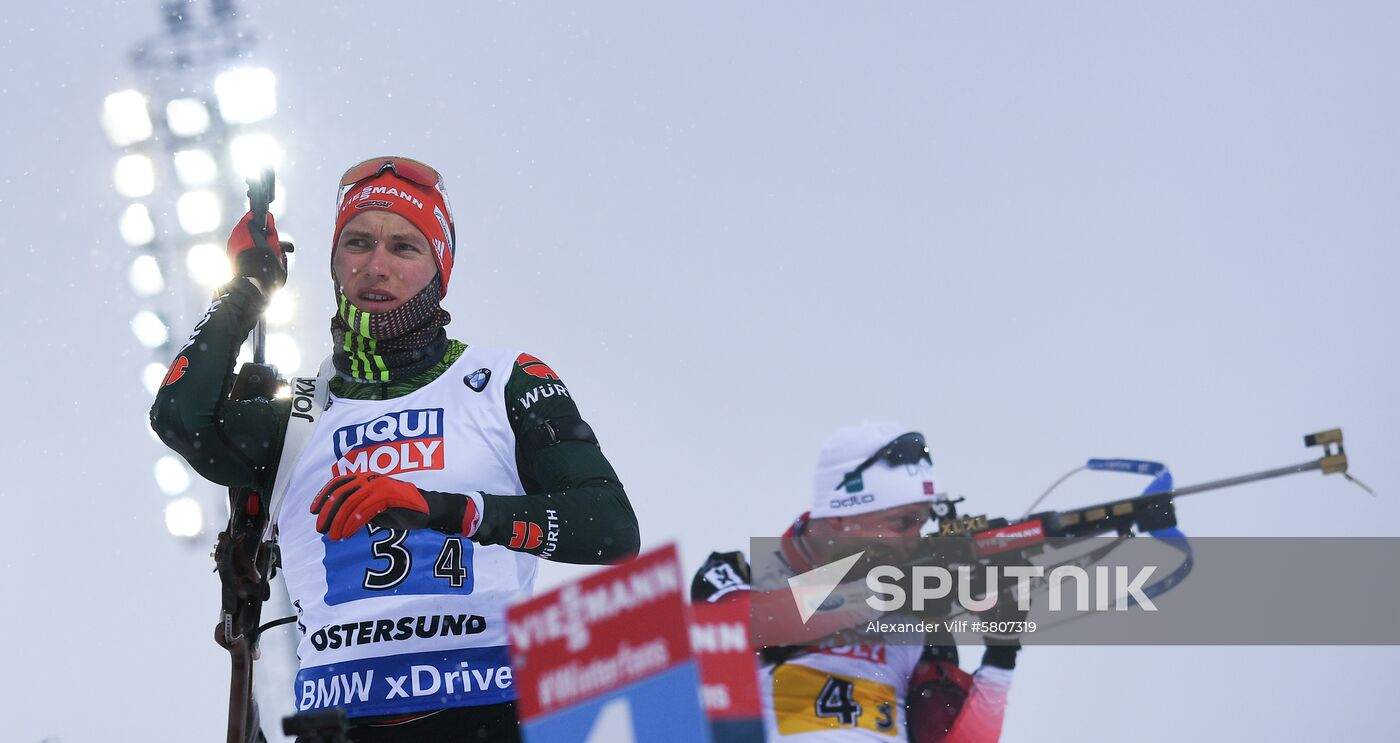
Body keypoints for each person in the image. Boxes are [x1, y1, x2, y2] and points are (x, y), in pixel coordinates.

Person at [151, 156, 640, 741]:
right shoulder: (299, 415)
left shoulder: (504, 382)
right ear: (335, 262)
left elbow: (612, 529)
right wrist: (247, 288)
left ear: (439, 270)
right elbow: (181, 415)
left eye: (404, 248)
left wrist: (449, 509)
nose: (376, 265)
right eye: (357, 242)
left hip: (486, 715)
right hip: (338, 722)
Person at [692, 422, 1018, 742]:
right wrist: (879, 594)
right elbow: (748, 623)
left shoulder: (916, 614)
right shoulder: (736, 573)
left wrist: (1000, 659)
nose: (915, 540)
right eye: (903, 522)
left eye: (923, 522)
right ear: (838, 516)